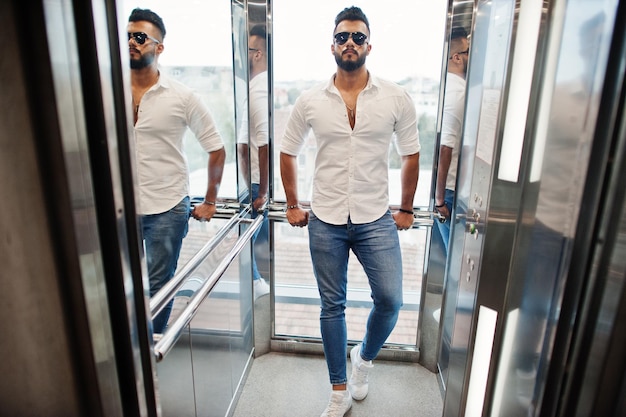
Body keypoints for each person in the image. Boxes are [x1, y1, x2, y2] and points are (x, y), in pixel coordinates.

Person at [279, 6, 421, 417]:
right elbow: (288, 151)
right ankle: (338, 390)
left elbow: (411, 155)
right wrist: (291, 203)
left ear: (369, 45)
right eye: (343, 36)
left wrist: (407, 208)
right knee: (331, 306)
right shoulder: (310, 100)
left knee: (391, 300)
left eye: (358, 37)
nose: (350, 43)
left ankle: (364, 361)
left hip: (376, 217)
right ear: (332, 46)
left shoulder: (396, 97)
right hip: (324, 219)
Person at [128, 8, 226, 334]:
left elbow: (216, 148)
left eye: (140, 37)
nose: (131, 42)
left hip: (167, 209)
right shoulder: (105, 90)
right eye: (127, 36)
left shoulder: (182, 96)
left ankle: (152, 352)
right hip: (118, 208)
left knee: (159, 287)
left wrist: (210, 201)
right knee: (113, 287)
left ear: (159, 47)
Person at [237, 24, 270, 299]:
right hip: (256, 182)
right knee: (250, 238)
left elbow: (262, 144)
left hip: (257, 183)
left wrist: (260, 191)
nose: (240, 55)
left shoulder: (259, 90)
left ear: (257, 53)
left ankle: (257, 282)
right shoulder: (254, 88)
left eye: (245, 50)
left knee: (246, 239)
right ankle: (257, 281)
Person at [434, 26, 469, 254]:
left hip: (447, 189)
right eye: (467, 52)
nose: (471, 56)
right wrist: (439, 201)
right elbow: (445, 148)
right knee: (455, 259)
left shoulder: (450, 88)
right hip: (448, 191)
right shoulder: (456, 94)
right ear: (456, 57)